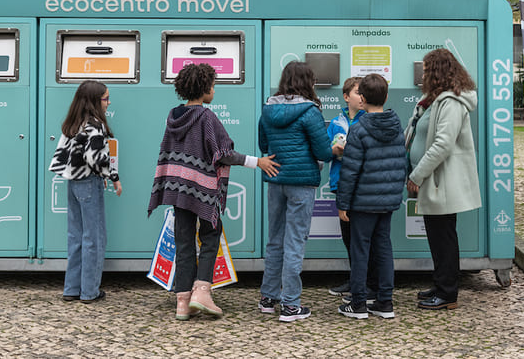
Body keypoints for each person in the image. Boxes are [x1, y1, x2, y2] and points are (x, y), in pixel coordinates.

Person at [147, 63, 279, 321]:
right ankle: (202, 292)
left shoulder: (173, 115)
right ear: (204, 88)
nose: (214, 90)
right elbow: (224, 154)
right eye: (213, 86)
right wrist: (257, 162)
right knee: (210, 237)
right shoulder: (206, 117)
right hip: (204, 190)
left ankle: (182, 302)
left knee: (184, 243)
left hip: (178, 188)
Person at [258, 61, 334, 322]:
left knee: (275, 239)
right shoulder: (310, 111)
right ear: (306, 82)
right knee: (294, 242)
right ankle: (290, 305)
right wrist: (336, 149)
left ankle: (268, 298)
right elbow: (323, 151)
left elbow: (263, 144)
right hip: (301, 183)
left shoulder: (268, 108)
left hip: (275, 178)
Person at [406, 48, 481, 311]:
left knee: (444, 237)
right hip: (432, 180)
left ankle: (448, 292)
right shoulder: (433, 100)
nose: (423, 74)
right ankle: (441, 285)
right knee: (437, 236)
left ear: (437, 72)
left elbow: (442, 144)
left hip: (442, 181)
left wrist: (417, 174)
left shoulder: (451, 102)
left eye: (427, 70)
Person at [336, 74, 407, 320]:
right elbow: (401, 164)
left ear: (362, 99)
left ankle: (358, 305)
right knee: (384, 248)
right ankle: (385, 303)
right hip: (387, 201)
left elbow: (350, 170)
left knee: (360, 251)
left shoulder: (360, 128)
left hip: (362, 202)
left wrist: (343, 204)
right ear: (386, 97)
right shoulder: (397, 125)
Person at [49, 80, 122, 304]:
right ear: (94, 101)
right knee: (95, 238)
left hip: (73, 183)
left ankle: (71, 289)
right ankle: (90, 291)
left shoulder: (75, 122)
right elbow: (95, 157)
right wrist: (113, 177)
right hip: (89, 183)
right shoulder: (95, 125)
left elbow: (62, 155)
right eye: (105, 99)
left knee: (76, 237)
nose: (108, 103)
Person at [326, 77, 368, 298]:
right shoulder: (336, 122)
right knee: (349, 236)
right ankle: (355, 280)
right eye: (357, 93)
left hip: (361, 185)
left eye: (363, 93)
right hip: (341, 183)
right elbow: (326, 149)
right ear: (346, 96)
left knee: (362, 237)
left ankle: (365, 282)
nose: (361, 97)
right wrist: (334, 150)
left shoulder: (368, 120)